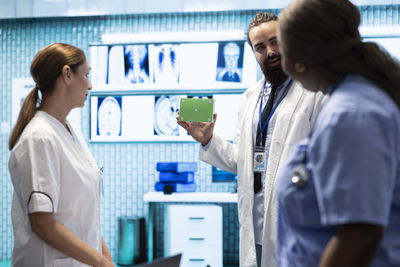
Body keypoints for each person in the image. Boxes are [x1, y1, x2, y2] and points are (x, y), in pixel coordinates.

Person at [177, 13, 327, 267]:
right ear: (254, 53)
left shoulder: (315, 91)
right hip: (255, 225)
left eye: (275, 41)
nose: (269, 51)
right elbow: (242, 160)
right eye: (260, 47)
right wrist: (208, 140)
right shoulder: (249, 99)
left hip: (296, 223)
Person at [275, 0, 400, 266]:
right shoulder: (356, 99)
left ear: (297, 60)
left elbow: (360, 234)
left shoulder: (350, 114)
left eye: (279, 44)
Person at [8, 43, 115, 267]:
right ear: (67, 74)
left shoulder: (70, 130)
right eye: (86, 75)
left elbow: (82, 219)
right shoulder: (40, 137)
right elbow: (42, 223)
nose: (90, 84)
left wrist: (106, 258)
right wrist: (100, 262)